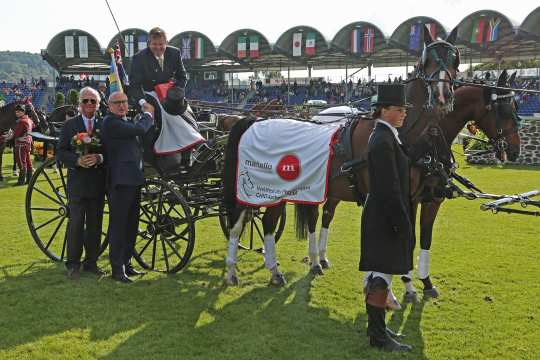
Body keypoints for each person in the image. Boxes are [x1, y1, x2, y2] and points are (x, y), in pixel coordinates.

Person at [359, 84, 414, 352]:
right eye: (399, 109)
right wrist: (401, 222)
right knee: (381, 276)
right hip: (384, 217)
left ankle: (377, 330)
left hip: (384, 214)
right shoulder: (382, 139)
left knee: (383, 274)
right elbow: (389, 187)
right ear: (383, 110)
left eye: (404, 109)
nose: (404, 114)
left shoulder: (387, 135)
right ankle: (378, 338)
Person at [101, 91, 154, 283]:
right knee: (119, 226)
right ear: (109, 106)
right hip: (120, 181)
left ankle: (127, 263)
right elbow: (140, 130)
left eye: (124, 101)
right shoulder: (110, 122)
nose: (122, 105)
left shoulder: (125, 121)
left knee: (131, 225)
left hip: (133, 179)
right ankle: (117, 269)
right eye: (117, 103)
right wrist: (148, 114)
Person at [56, 87, 106, 280]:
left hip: (98, 183)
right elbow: (61, 151)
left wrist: (100, 157)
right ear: (80, 104)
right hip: (77, 183)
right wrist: (76, 161)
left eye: (93, 101)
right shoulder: (70, 126)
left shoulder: (104, 124)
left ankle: (91, 263)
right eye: (85, 101)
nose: (89, 104)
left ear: (98, 104)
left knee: (95, 224)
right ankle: (73, 264)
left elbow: (112, 150)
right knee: (76, 224)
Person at [129, 26, 187, 106]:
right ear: (149, 43)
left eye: (161, 44)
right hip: (148, 95)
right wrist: (143, 102)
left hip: (170, 95)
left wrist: (175, 93)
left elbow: (182, 77)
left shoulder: (175, 53)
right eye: (154, 44)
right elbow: (134, 84)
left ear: (166, 43)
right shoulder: (139, 58)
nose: (158, 47)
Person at [11, 104, 34, 185]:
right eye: (16, 112)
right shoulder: (29, 120)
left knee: (21, 162)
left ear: (23, 112)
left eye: (18, 112)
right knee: (28, 162)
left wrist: (8, 135)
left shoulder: (21, 121)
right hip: (28, 144)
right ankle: (29, 180)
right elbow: (33, 127)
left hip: (21, 144)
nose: (16, 113)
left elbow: (16, 134)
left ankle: (21, 181)